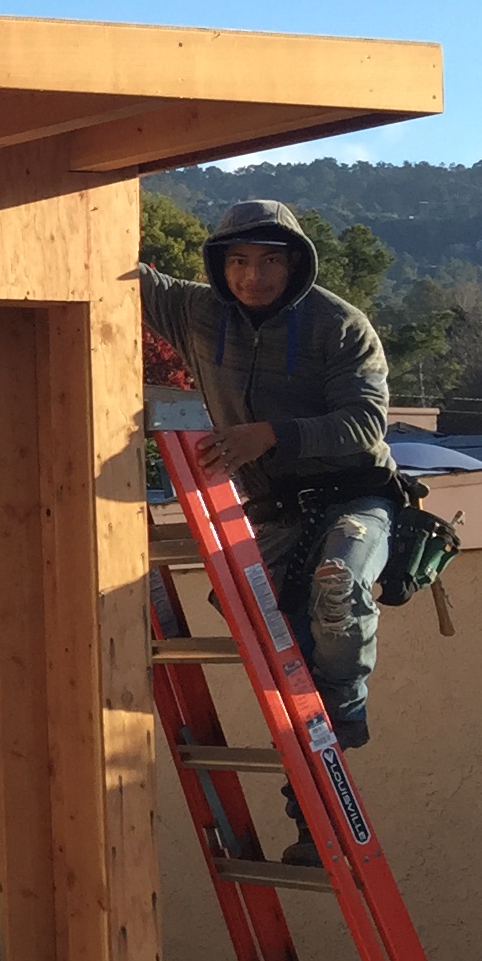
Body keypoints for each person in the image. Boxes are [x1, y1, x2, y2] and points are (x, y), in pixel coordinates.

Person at [141, 200, 396, 821]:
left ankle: (347, 701)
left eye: (270, 261)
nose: (253, 276)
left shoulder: (338, 324)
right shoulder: (197, 311)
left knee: (338, 587)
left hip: (352, 497)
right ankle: (312, 812)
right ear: (219, 265)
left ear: (296, 263)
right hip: (273, 512)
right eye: (238, 261)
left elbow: (366, 421)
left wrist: (270, 434)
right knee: (277, 650)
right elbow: (124, 272)